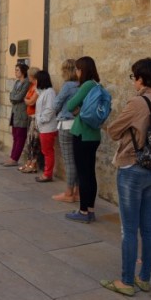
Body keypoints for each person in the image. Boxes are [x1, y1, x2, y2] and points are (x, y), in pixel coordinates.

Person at [102, 57, 151, 296]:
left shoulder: (138, 102)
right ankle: (144, 278)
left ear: (141, 79)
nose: (134, 82)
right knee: (149, 227)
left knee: (129, 229)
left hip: (134, 166)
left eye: (134, 77)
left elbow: (113, 131)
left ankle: (126, 281)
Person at [65, 56, 103, 223]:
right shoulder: (97, 85)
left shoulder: (87, 85)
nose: (77, 72)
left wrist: (77, 109)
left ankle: (83, 211)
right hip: (94, 135)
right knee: (90, 173)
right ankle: (90, 210)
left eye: (78, 69)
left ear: (83, 70)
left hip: (82, 134)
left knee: (83, 174)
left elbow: (70, 105)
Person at [52, 59, 80, 202]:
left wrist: (57, 112)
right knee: (78, 160)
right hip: (79, 125)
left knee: (69, 161)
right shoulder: (82, 85)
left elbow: (56, 104)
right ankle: (78, 192)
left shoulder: (68, 85)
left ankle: (69, 193)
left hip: (67, 124)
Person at [2, 63, 30, 167]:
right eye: (15, 70)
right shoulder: (17, 82)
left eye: (17, 70)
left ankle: (15, 158)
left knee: (20, 136)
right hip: (15, 111)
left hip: (22, 112)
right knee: (15, 135)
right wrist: (14, 97)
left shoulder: (26, 83)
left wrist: (14, 97)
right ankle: (12, 157)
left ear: (23, 71)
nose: (15, 72)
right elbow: (12, 95)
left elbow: (19, 97)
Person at [34, 70, 57, 182]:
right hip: (43, 127)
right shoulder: (43, 92)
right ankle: (47, 173)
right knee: (46, 151)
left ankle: (48, 174)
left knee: (47, 151)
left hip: (47, 127)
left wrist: (41, 119)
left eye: (37, 79)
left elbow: (50, 109)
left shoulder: (50, 93)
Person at [18, 67, 40, 173]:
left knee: (34, 141)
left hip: (35, 116)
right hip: (30, 116)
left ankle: (33, 164)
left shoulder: (38, 87)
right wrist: (27, 100)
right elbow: (27, 98)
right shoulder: (31, 86)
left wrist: (27, 100)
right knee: (29, 142)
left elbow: (30, 101)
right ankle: (29, 162)